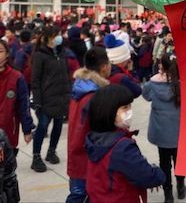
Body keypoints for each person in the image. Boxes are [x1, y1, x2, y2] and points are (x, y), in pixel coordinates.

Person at [85, 85, 166, 203]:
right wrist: (156, 171)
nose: (130, 111)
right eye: (125, 107)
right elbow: (148, 176)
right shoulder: (122, 148)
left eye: (130, 106)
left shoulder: (94, 138)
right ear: (109, 111)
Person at [66, 47, 110, 203]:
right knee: (80, 197)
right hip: (87, 158)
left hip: (77, 154)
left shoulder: (80, 87)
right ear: (104, 67)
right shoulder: (94, 95)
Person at [142, 53, 186, 203]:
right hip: (179, 130)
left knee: (164, 162)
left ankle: (168, 194)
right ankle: (181, 186)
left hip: (161, 131)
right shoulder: (183, 84)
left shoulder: (152, 84)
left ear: (162, 66)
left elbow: (146, 96)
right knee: (180, 161)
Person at [31, 26, 72, 172]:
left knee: (58, 125)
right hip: (46, 98)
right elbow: (35, 80)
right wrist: (37, 101)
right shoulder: (40, 55)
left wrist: (69, 93)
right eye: (56, 35)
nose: (59, 38)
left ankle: (51, 151)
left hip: (61, 96)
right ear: (47, 38)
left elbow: (66, 74)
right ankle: (36, 157)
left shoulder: (62, 53)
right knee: (42, 127)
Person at [104, 34, 142, 98]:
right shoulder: (122, 78)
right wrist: (132, 71)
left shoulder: (105, 70)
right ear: (123, 59)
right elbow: (137, 90)